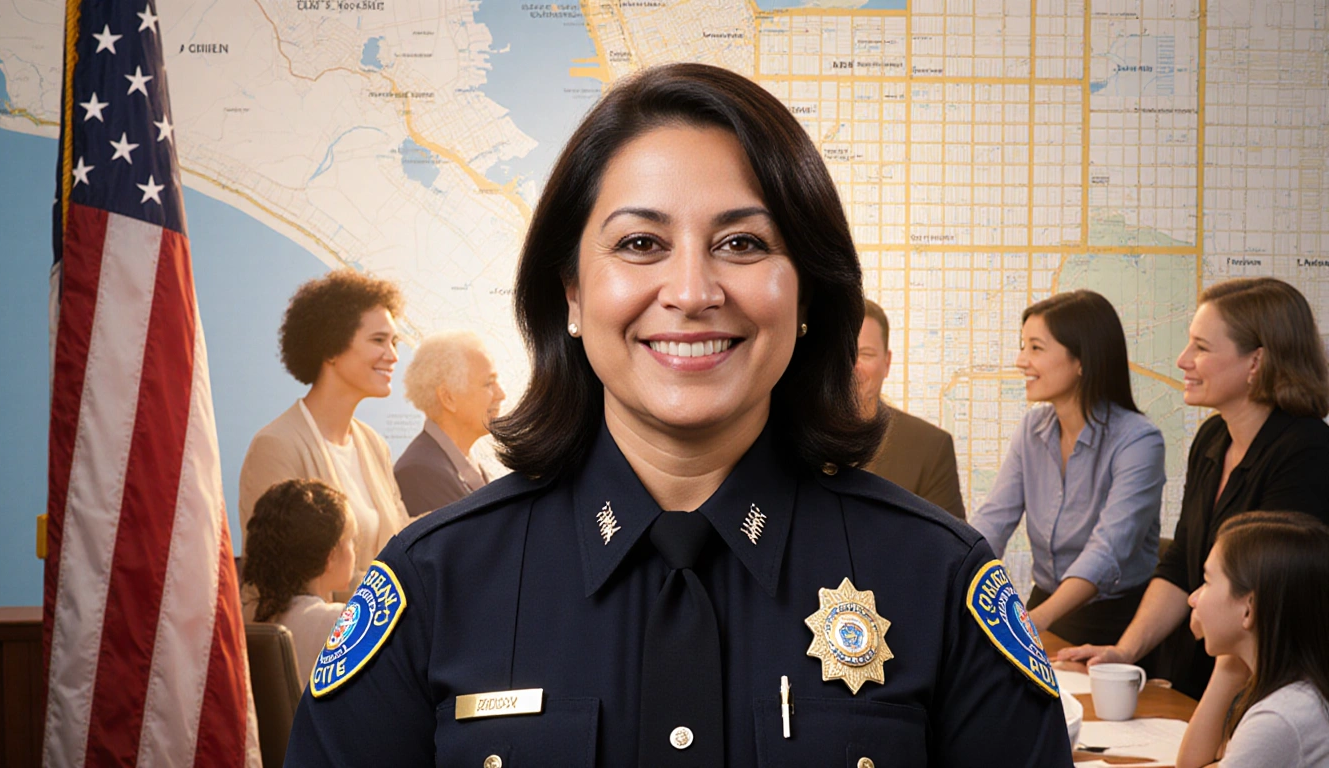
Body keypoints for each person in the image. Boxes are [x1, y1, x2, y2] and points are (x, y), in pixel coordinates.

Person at [285, 63, 1071, 767]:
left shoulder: (940, 579)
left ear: (805, 297)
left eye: (742, 243)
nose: (693, 292)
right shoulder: (431, 582)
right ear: (569, 291)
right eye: (639, 244)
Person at [1059, 277, 1329, 698]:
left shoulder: (1307, 451)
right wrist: (1124, 651)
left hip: (1258, 694)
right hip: (1198, 680)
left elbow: (1270, 602)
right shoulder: (1212, 438)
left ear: (1256, 361)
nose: (1183, 360)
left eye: (1201, 348)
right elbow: (1183, 560)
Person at [970, 290, 1165, 647]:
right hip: (1043, 607)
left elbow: (1107, 552)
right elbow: (993, 521)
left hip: (1115, 625)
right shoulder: (1033, 430)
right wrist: (956, 580)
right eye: (1022, 346)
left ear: (1081, 361)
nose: (1020, 360)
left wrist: (1028, 623)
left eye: (1036, 348)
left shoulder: (1139, 441)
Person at [239, 271, 410, 595]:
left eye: (394, 341)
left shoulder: (374, 445)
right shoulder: (276, 446)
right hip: (318, 640)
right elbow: (279, 583)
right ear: (330, 347)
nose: (393, 355)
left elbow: (401, 543)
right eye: (378, 340)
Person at [1174, 511, 1329, 768]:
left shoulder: (1280, 718)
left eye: (1207, 581)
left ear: (1249, 609)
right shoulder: (1297, 692)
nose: (1194, 599)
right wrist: (1227, 665)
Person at [242, 479, 358, 689]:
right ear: (330, 557)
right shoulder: (340, 624)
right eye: (351, 540)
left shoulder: (248, 617)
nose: (354, 550)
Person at [855, 299, 965, 517]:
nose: (851, 366)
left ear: (887, 364)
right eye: (841, 353)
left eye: (865, 354)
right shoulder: (790, 441)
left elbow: (949, 549)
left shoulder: (930, 449)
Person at [394, 330, 506, 515]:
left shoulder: (465, 467)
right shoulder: (420, 474)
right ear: (448, 398)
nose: (501, 395)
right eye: (488, 383)